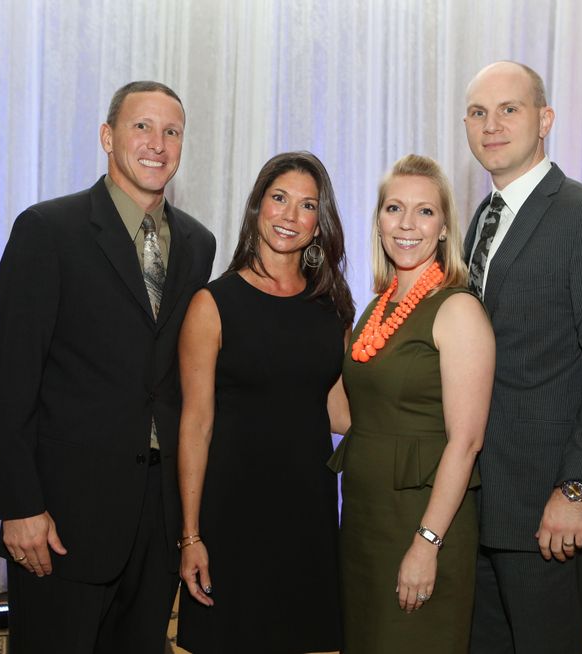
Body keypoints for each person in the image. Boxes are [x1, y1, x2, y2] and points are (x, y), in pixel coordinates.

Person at [0, 81, 216, 653]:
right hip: (63, 517)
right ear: (108, 137)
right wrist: (18, 506)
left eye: (172, 131)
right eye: (142, 127)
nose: (157, 143)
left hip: (156, 517)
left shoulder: (198, 244)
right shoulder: (47, 231)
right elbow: (7, 380)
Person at [461, 61, 582, 654]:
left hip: (551, 508)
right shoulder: (482, 220)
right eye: (477, 112)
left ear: (545, 119)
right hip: (484, 502)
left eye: (508, 109)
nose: (491, 125)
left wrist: (577, 489)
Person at [176, 151, 354, 653]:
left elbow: (340, 412)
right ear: (257, 206)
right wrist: (191, 536)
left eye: (306, 205)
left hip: (307, 509)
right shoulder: (212, 304)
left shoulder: (332, 306)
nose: (289, 216)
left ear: (320, 224)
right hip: (233, 512)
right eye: (279, 198)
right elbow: (196, 425)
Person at [328, 154, 495, 653]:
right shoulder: (376, 308)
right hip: (364, 518)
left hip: (422, 519)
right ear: (378, 220)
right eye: (394, 208)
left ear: (444, 227)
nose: (407, 224)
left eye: (424, 212)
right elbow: (347, 417)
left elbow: (466, 443)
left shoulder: (457, 309)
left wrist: (427, 544)